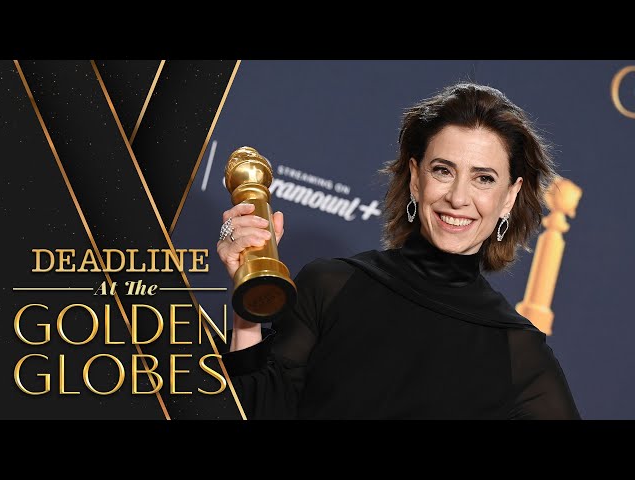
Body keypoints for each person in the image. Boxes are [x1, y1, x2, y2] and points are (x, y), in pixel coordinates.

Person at [216, 82, 581, 420]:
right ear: (415, 178)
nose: (457, 198)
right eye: (443, 171)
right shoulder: (329, 286)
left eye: (483, 178)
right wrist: (249, 304)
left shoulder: (519, 353)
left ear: (510, 197)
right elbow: (255, 412)